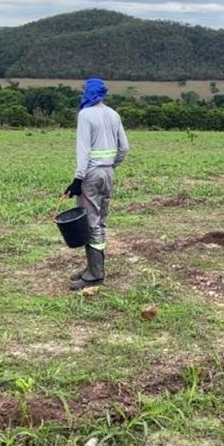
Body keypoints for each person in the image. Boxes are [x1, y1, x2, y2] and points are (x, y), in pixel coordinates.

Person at [64, 78, 129, 290]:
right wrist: (110, 166)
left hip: (90, 174)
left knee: (89, 221)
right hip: (108, 172)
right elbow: (124, 148)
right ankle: (94, 268)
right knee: (100, 220)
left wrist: (77, 179)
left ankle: (94, 273)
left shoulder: (85, 115)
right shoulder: (113, 114)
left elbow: (83, 152)